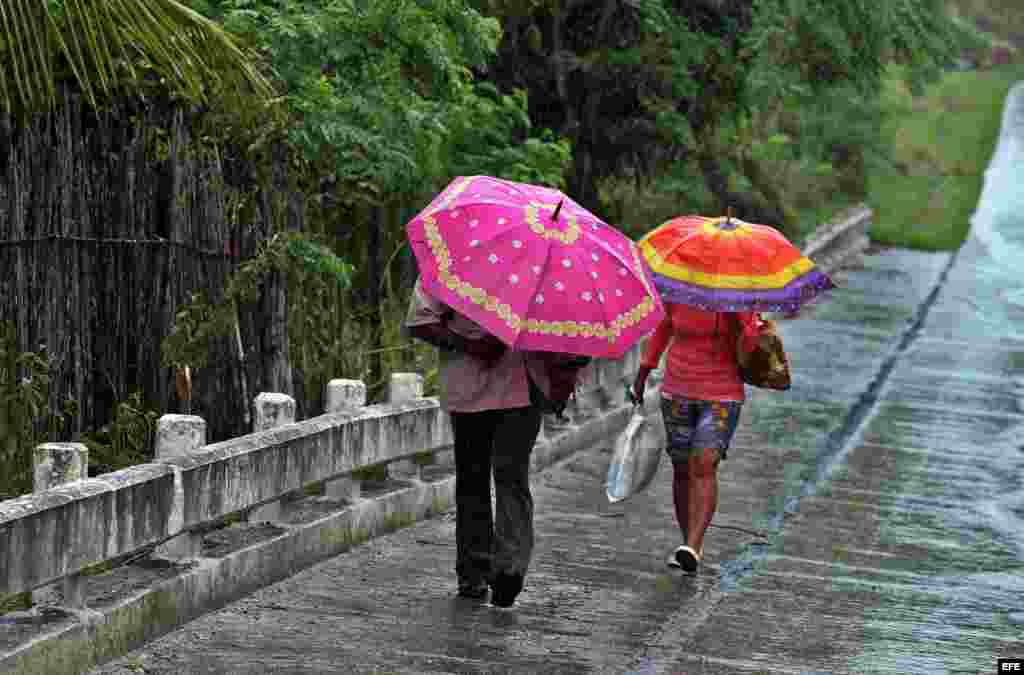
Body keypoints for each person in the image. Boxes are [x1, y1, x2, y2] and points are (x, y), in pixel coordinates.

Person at [405, 278, 589, 606]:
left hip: (524, 388)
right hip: (468, 387)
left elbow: (573, 330)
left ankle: (508, 571)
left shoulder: (548, 270)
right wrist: (471, 344)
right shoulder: (449, 264)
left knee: (510, 474)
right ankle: (473, 571)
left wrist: (566, 371)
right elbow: (420, 321)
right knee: (473, 477)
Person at [631, 304, 762, 573]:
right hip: (677, 391)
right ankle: (687, 542)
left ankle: (693, 544)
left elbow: (750, 347)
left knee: (704, 463)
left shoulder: (740, 294)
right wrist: (643, 371)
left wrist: (742, 320)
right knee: (681, 467)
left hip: (722, 394)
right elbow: (664, 327)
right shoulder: (680, 288)